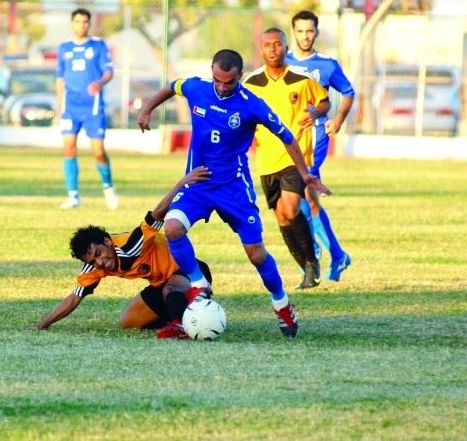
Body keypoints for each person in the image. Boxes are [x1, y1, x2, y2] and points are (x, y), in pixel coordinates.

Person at [136, 49, 332, 338]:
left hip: (233, 189)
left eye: (228, 82)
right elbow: (171, 86)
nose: (222, 86)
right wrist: (146, 109)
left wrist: (304, 174)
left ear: (240, 76)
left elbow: (287, 137)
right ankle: (198, 283)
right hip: (197, 183)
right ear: (211, 72)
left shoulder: (252, 104)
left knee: (255, 254)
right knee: (174, 227)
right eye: (217, 79)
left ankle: (281, 302)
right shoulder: (197, 88)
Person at [24, 166, 213, 340]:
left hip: (190, 272)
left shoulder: (133, 243)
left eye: (99, 253)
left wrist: (181, 184)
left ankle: (183, 326)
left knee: (170, 290)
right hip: (161, 284)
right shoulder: (94, 267)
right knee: (128, 322)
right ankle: (187, 313)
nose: (100, 262)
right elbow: (74, 298)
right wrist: (42, 325)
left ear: (108, 241)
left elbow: (158, 213)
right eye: (93, 260)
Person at [243, 27, 330, 290]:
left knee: (292, 207)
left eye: (277, 44)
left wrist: (315, 115)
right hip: (267, 160)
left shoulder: (301, 80)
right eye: (267, 45)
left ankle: (312, 262)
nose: (272, 49)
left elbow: (325, 102)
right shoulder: (251, 84)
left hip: (295, 157)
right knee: (281, 216)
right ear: (261, 50)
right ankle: (306, 269)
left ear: (285, 48)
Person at [285, 10, 354, 281]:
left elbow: (348, 92)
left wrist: (337, 120)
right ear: (294, 32)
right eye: (300, 31)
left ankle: (311, 251)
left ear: (316, 32)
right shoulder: (283, 62)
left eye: (309, 31)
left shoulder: (327, 64)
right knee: (308, 199)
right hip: (288, 139)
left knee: (300, 187)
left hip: (315, 136)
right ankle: (337, 255)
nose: (305, 35)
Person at [56, 8, 119, 210]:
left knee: (98, 151)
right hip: (70, 106)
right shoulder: (64, 48)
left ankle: (108, 186)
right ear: (72, 23)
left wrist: (99, 83)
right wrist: (60, 106)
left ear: (89, 24)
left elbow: (109, 71)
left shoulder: (98, 46)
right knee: (69, 147)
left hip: (92, 106)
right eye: (78, 21)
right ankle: (73, 196)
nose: (81, 25)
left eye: (85, 22)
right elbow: (60, 78)